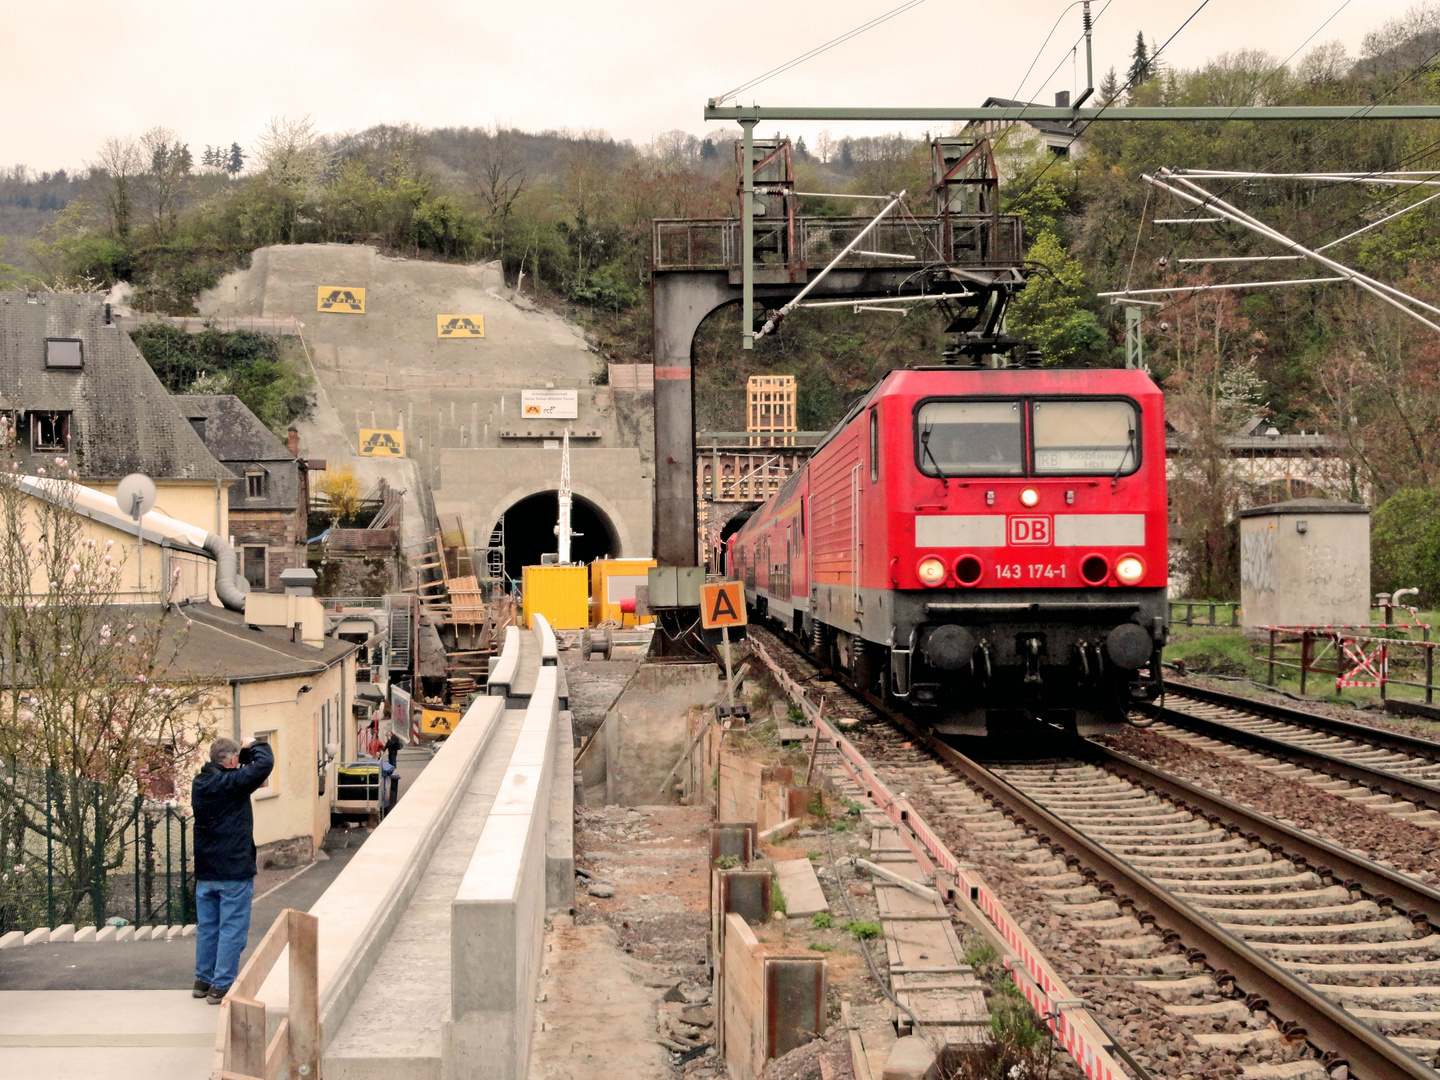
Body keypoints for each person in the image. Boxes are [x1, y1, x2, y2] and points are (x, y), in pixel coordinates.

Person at [191, 736, 274, 1004]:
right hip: (234, 871)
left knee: (208, 928)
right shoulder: (232, 784)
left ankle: (203, 981)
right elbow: (265, 765)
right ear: (232, 760)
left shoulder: (200, 784)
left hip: (206, 872)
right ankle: (221, 986)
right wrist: (255, 744)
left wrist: (243, 755)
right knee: (231, 930)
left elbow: (243, 770)